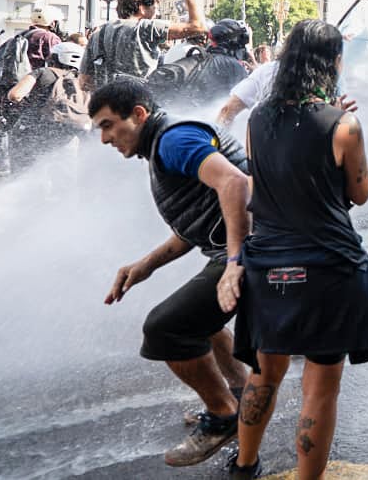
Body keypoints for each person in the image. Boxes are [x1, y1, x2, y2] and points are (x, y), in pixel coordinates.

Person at [224, 19, 368, 480]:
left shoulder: (256, 121)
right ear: (333, 62)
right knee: (320, 387)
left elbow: (269, 182)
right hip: (328, 268)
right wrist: (340, 119)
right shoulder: (344, 125)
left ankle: (244, 464)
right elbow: (360, 194)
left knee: (264, 373)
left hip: (270, 264)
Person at [90, 78, 252, 467]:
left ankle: (223, 416)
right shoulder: (164, 142)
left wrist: (235, 262)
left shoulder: (173, 140)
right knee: (203, 320)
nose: (105, 139)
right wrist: (145, 264)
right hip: (250, 247)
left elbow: (235, 183)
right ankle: (242, 395)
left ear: (139, 115)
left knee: (166, 328)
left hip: (259, 250)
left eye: (108, 125)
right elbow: (194, 223)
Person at [80, 0, 208, 90]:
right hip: (136, 103)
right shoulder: (145, 27)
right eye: (154, 8)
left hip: (103, 105)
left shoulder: (97, 34)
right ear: (141, 8)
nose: (157, 14)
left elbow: (84, 80)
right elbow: (198, 27)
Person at [6, 40, 88, 172]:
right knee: (62, 177)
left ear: (54, 58)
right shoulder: (84, 80)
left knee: (24, 175)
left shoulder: (43, 72)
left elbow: (15, 95)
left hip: (31, 131)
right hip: (68, 135)